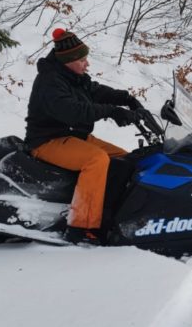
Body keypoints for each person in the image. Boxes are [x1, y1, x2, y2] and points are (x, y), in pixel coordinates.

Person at [25, 28, 144, 245]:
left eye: (86, 59)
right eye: (82, 60)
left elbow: (96, 90)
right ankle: (82, 227)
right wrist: (111, 111)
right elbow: (74, 111)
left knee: (126, 159)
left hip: (73, 137)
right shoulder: (50, 81)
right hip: (46, 140)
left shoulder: (72, 75)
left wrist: (126, 99)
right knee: (96, 160)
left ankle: (110, 213)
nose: (86, 64)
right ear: (67, 61)